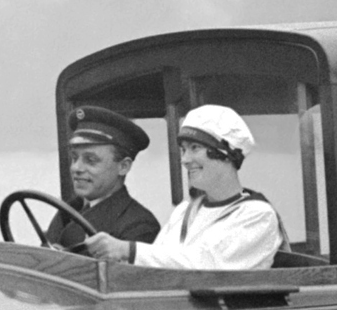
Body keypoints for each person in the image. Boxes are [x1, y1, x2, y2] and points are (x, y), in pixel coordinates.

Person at [82, 104, 284, 270]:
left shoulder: (257, 216)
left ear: (226, 154)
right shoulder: (185, 211)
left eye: (195, 148)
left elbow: (208, 266)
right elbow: (156, 267)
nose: (186, 160)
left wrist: (128, 250)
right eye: (184, 150)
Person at [49, 105, 161, 250]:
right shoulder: (69, 211)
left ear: (123, 167)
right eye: (74, 158)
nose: (76, 168)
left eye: (90, 160)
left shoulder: (139, 226)